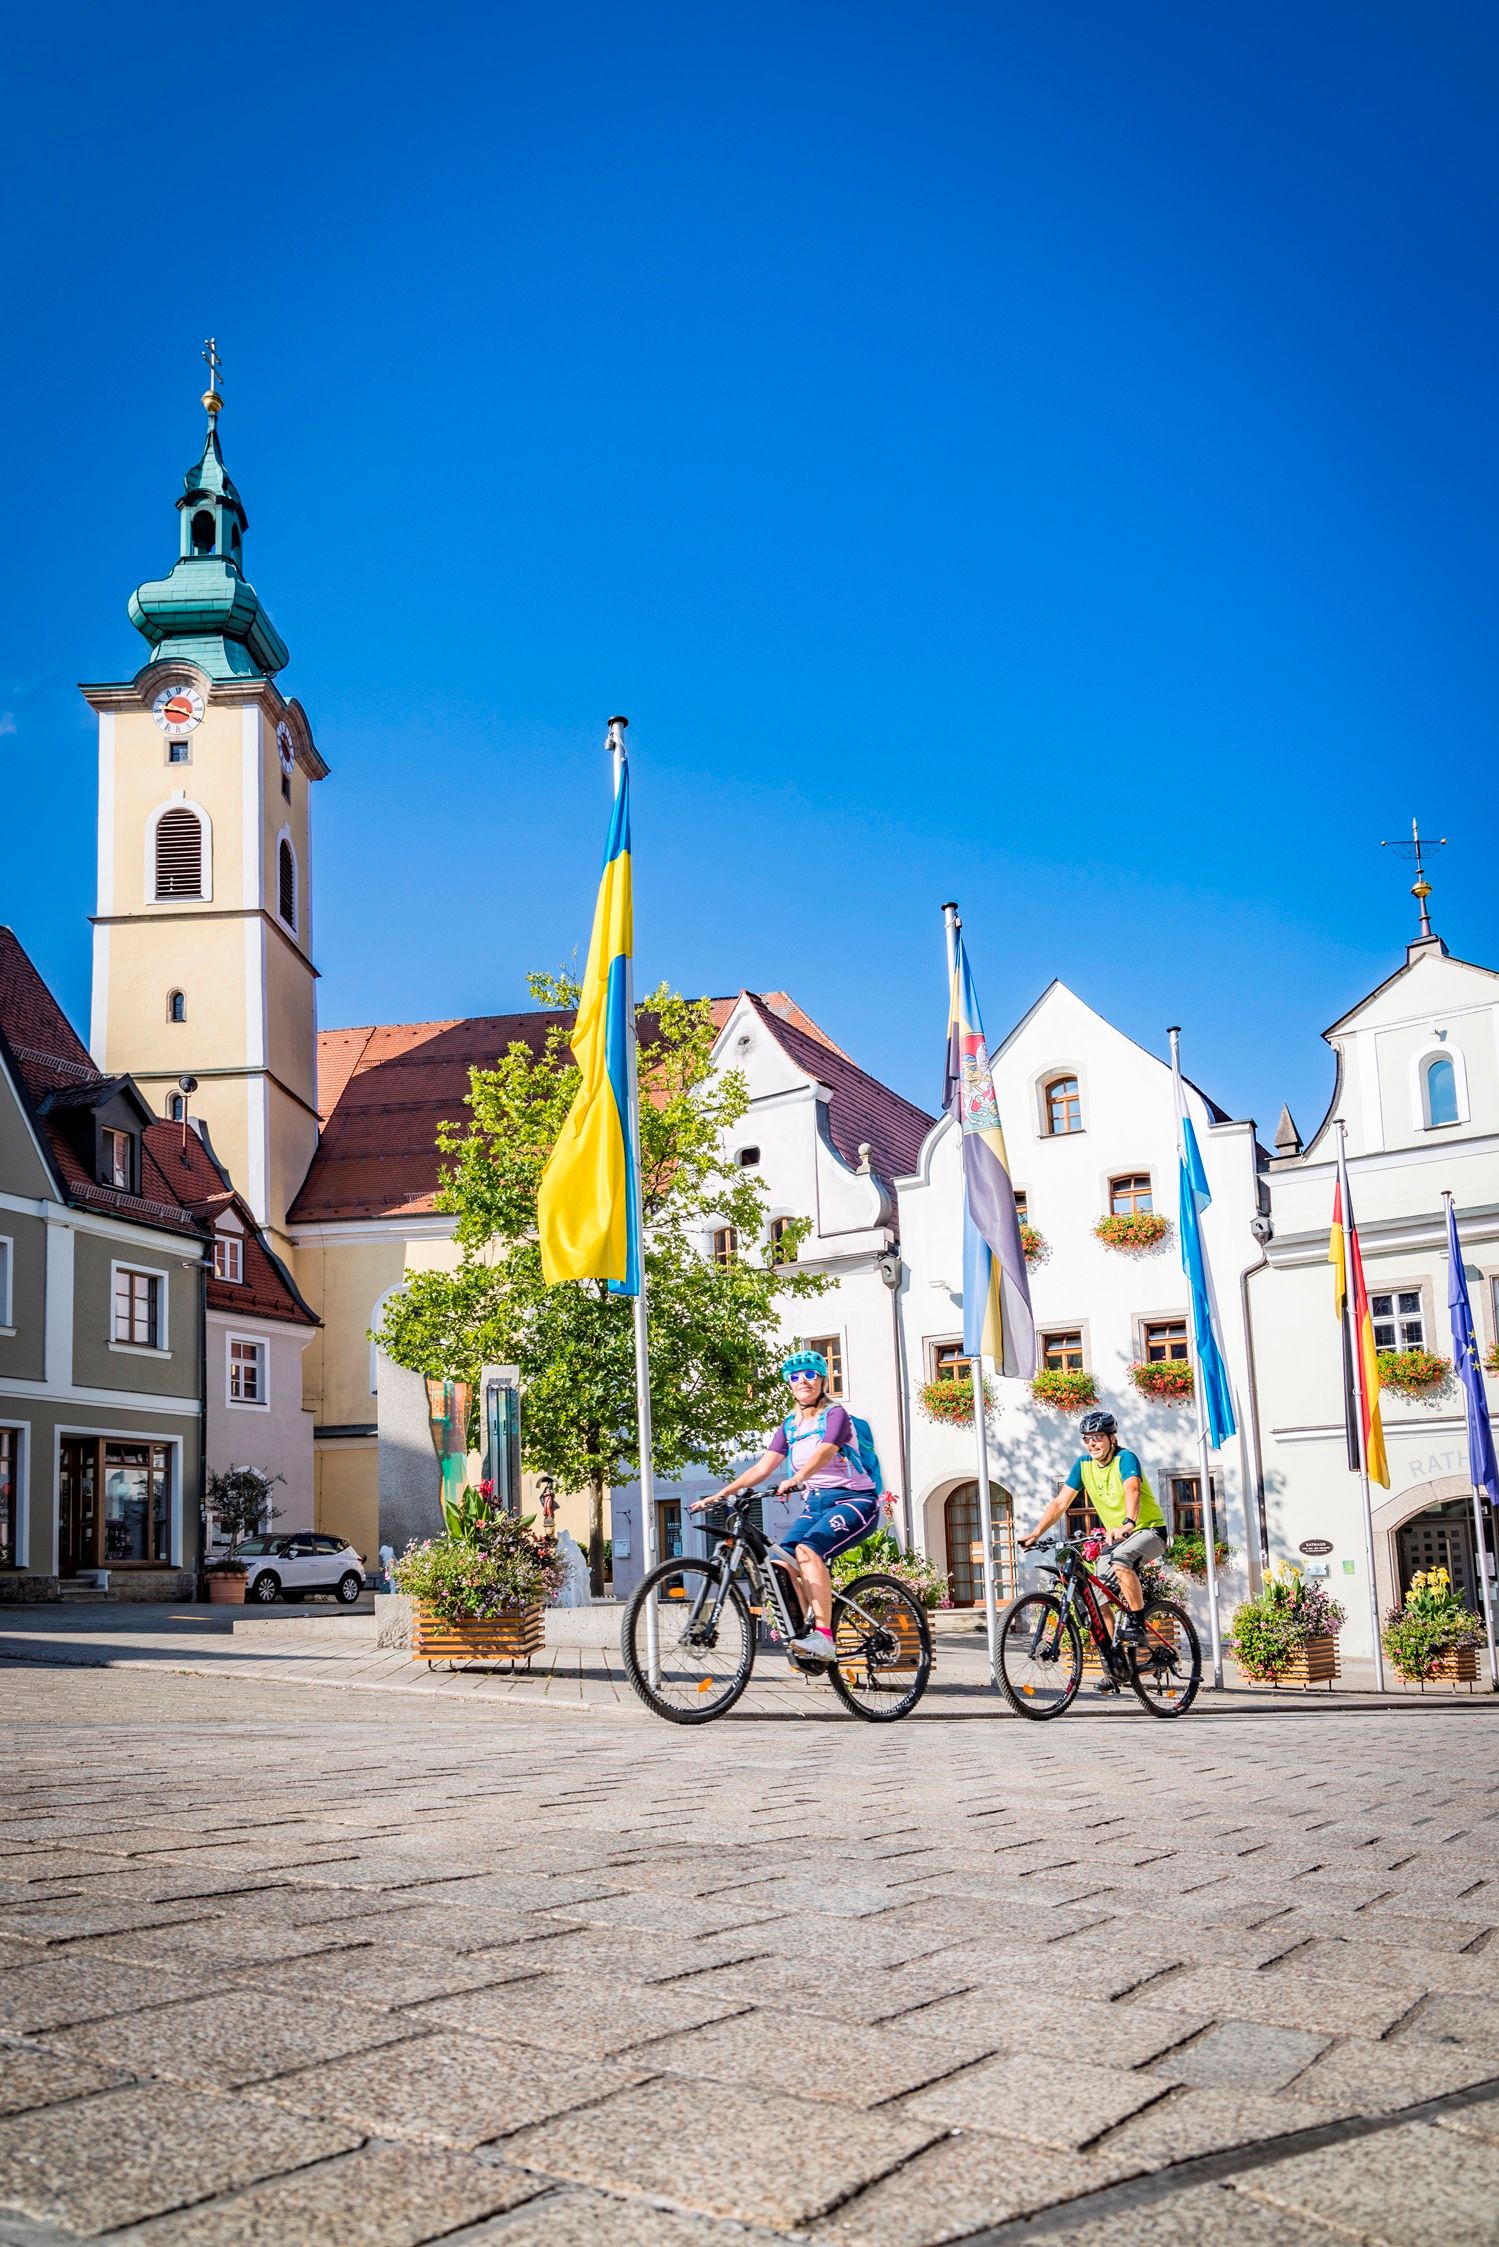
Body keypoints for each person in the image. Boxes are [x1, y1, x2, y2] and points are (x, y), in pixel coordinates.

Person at [691, 1349, 880, 1664]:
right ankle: (807, 1633)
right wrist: (719, 1494)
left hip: (854, 1500)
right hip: (815, 1505)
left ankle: (824, 1636)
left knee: (807, 1551)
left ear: (822, 1380)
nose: (803, 1381)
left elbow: (826, 1449)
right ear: (789, 1385)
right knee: (779, 1564)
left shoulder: (835, 1415)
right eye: (795, 1377)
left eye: (810, 1374)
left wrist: (798, 1477)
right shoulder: (790, 1425)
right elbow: (762, 1468)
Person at [1020, 1409, 1167, 1673]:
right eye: (1087, 1439)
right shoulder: (1083, 1465)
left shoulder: (1125, 1458)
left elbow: (1132, 1489)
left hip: (1147, 1531)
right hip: (1115, 1539)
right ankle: (1114, 1663)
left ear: (1112, 1437)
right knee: (1095, 1599)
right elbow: (1061, 1502)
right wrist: (1036, 1533)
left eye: (1098, 1437)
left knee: (1122, 1561)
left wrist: (1128, 1523)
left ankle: (1136, 1621)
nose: (1092, 1444)